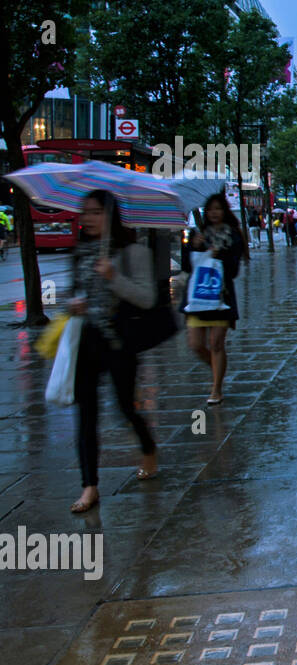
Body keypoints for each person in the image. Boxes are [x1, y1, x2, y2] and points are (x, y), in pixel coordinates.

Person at [68, 190, 159, 514]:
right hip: (87, 341)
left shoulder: (132, 252)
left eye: (95, 212)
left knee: (124, 406)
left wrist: (114, 277)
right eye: (85, 212)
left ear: (110, 215)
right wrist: (74, 304)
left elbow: (147, 298)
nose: (88, 218)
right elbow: (74, 292)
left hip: (119, 342)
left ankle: (148, 446)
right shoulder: (80, 252)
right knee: (86, 414)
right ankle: (89, 485)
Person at [182, 193, 246, 405]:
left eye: (218, 208)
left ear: (224, 211)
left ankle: (216, 388)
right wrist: (193, 246)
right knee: (195, 344)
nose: (214, 213)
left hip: (221, 297)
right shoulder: (199, 235)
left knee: (216, 343)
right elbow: (187, 266)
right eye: (210, 210)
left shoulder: (234, 235)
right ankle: (218, 366)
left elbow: (234, 270)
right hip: (197, 297)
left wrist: (220, 255)